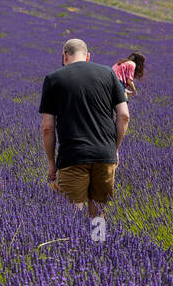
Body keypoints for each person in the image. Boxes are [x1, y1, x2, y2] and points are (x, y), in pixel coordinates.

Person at [39, 38, 130, 218]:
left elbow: (47, 128)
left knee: (71, 218)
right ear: (88, 56)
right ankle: (97, 245)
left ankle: (73, 246)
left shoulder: (53, 79)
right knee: (99, 217)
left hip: (73, 156)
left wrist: (51, 163)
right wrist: (115, 148)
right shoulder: (108, 74)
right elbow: (124, 115)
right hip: (105, 155)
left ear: (64, 56)